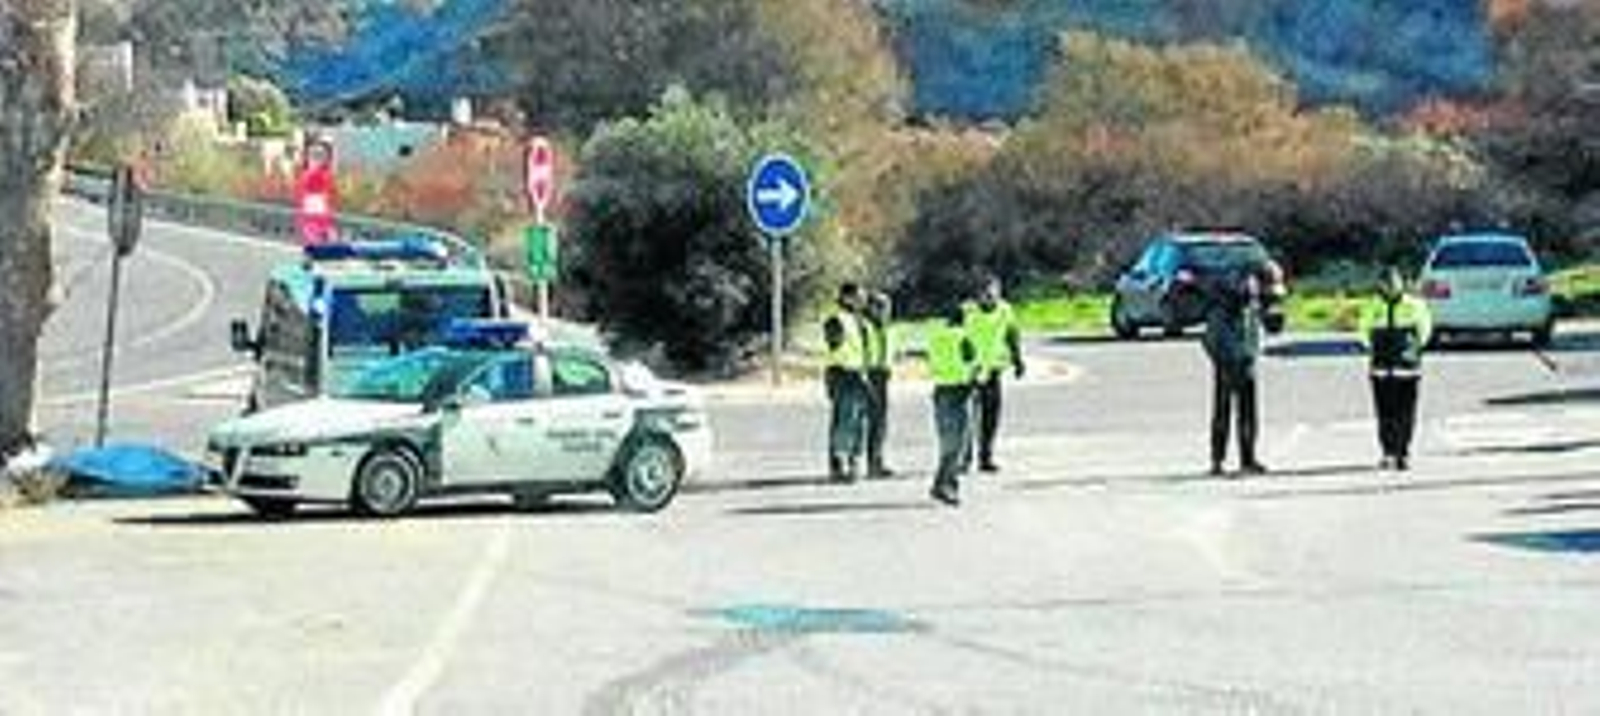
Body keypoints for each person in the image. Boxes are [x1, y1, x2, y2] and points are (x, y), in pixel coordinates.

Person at [1358, 267, 1433, 472]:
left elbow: (1425, 330)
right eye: (1387, 282)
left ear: (1402, 283)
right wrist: (1375, 348)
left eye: (1394, 281)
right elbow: (1363, 332)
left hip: (1407, 369)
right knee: (1385, 413)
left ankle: (1403, 452)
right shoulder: (1372, 305)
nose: (1391, 286)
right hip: (1381, 369)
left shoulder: (1415, 305)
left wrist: (1412, 349)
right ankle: (1388, 452)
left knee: (1406, 412)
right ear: (1380, 284)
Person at [1200, 269, 1268, 477]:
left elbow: (1255, 334)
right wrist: (1228, 359)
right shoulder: (1224, 312)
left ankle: (1247, 458)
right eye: (1251, 288)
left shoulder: (1248, 309)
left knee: (1246, 412)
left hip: (1244, 361)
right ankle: (1218, 459)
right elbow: (1212, 340)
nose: (1254, 291)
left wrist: (1252, 353)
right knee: (1225, 410)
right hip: (1230, 363)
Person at [963, 277, 1025, 473]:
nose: (989, 297)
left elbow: (1012, 335)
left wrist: (1017, 360)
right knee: (969, 418)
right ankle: (965, 458)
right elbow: (955, 336)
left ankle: (986, 457)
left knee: (991, 418)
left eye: (993, 293)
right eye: (985, 293)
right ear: (978, 295)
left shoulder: (1005, 310)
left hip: (994, 371)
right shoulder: (967, 311)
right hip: (970, 372)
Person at [927, 305, 977, 506]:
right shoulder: (964, 337)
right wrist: (975, 383)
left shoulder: (936, 337)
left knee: (947, 442)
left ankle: (943, 484)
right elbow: (972, 363)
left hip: (940, 390)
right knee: (959, 444)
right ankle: (945, 485)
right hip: (960, 392)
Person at [822, 283, 870, 483]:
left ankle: (852, 461)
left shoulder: (856, 320)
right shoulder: (836, 319)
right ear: (846, 297)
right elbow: (834, 344)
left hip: (856, 372)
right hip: (842, 373)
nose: (863, 301)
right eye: (859, 297)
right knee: (845, 419)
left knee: (858, 421)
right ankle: (839, 464)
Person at [862, 292, 897, 478]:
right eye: (880, 307)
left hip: (883, 375)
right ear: (872, 308)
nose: (885, 311)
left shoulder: (887, 328)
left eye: (886, 307)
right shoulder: (865, 327)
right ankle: (864, 462)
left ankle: (876, 461)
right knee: (868, 421)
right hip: (869, 374)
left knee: (880, 422)